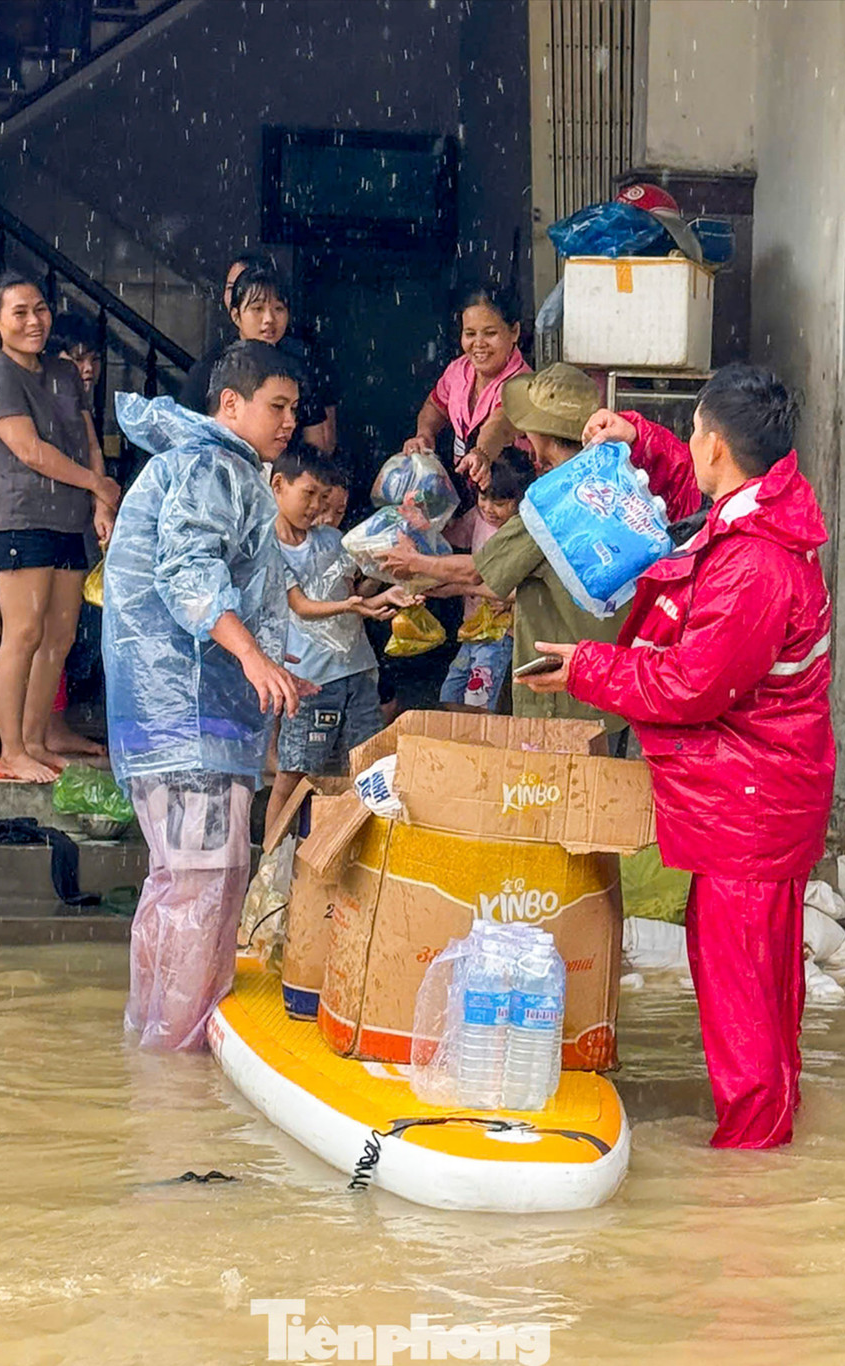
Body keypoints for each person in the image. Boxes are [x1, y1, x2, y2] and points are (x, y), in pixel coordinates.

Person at [518, 364, 836, 1150]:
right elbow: (694, 499)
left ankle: (750, 1165)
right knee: (762, 991)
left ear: (718, 444)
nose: (688, 446)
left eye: (692, 432)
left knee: (743, 999)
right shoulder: (762, 518)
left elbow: (692, 685)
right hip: (764, 800)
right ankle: (772, 1138)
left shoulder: (754, 565)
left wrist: (588, 668)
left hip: (748, 810)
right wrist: (639, 437)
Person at [103, 340, 314, 1051]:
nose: (289, 421)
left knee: (176, 882)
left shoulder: (199, 464)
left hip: (170, 712)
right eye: (277, 406)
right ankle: (180, 1062)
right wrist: (251, 656)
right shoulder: (213, 466)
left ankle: (151, 1047)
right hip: (191, 716)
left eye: (294, 408)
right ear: (232, 404)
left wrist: (266, 660)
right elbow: (189, 572)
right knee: (206, 881)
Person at [378, 363, 632, 741]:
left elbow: (477, 571)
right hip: (607, 673)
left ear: (541, 434)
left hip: (563, 692)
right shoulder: (610, 478)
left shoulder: (553, 499)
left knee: (555, 776)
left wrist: (414, 562)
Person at [0, 271, 119, 782]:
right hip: (23, 521)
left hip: (70, 521)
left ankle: (35, 741)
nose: (34, 321)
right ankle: (11, 750)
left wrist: (99, 502)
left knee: (59, 636)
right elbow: (31, 451)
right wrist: (97, 484)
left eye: (40, 309)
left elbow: (88, 440)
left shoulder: (62, 372)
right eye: (20, 313)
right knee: (24, 633)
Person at [267, 444, 412, 818]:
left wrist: (384, 595)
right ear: (278, 485)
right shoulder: (268, 549)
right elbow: (301, 606)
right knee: (294, 775)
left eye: (322, 497)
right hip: (310, 679)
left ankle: (352, 843)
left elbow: (354, 593)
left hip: (358, 670)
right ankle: (272, 852)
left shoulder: (332, 540)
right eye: (309, 494)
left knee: (370, 766)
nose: (315, 507)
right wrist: (353, 606)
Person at [408, 448, 534, 713]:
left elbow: (521, 590)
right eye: (483, 498)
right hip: (472, 629)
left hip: (500, 633)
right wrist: (423, 518)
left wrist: (455, 588)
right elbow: (451, 535)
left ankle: (478, 738)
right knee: (450, 693)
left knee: (478, 701)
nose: (489, 508)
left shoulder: (523, 533)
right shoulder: (478, 518)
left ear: (520, 500)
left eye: (500, 503)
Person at [181, 266, 338, 453]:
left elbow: (316, 446)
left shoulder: (298, 370)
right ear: (236, 316)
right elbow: (185, 437)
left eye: (278, 308)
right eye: (257, 309)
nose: (269, 319)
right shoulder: (209, 369)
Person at [402, 287, 530, 490]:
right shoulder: (458, 370)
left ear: (514, 332)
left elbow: (499, 424)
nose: (478, 344)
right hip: (470, 490)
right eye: (470, 334)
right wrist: (424, 434)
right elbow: (435, 406)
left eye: (490, 333)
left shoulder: (523, 382)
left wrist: (482, 453)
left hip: (510, 494)